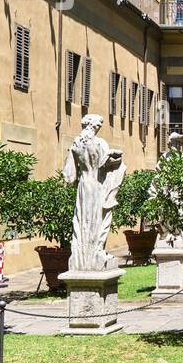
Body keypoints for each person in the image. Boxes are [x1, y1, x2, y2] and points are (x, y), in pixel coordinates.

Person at [62, 114, 126, 270]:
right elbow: (106, 163)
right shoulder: (99, 143)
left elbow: (69, 176)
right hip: (98, 185)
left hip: (83, 186)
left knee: (82, 219)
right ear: (94, 126)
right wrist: (117, 158)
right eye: (99, 125)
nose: (100, 127)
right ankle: (96, 251)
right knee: (100, 219)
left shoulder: (75, 144)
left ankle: (81, 256)